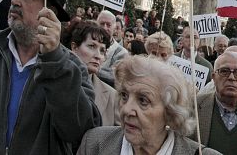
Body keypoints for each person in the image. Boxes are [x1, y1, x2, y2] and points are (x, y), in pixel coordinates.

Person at [0, 0, 100, 153]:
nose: (15, 0)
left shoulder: (71, 67)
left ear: (49, 13)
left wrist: (54, 61)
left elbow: (79, 132)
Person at [76, 55, 220, 154]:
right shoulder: (94, 143)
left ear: (170, 113)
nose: (126, 109)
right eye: (124, 96)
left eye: (143, 101)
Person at [70, 20, 120, 126]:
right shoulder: (56, 82)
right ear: (74, 47)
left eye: (102, 50)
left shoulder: (112, 96)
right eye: (92, 46)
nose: (98, 56)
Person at [97, 10, 129, 86]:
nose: (104, 28)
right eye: (102, 24)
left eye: (108, 25)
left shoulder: (121, 52)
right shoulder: (87, 43)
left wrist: (91, 68)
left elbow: (115, 76)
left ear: (114, 28)